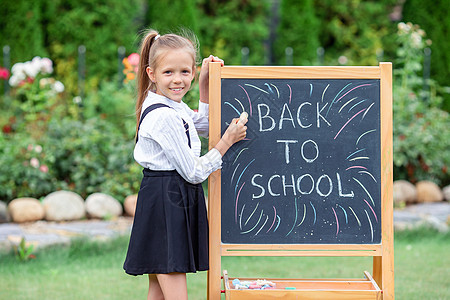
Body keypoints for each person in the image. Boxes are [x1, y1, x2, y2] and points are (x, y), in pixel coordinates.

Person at [123, 29, 247, 300]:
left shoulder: (173, 106)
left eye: (185, 72)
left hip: (169, 198)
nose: (177, 80)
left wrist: (204, 85)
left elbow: (201, 125)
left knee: (158, 291)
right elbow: (193, 172)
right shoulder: (164, 116)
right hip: (167, 201)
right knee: (173, 287)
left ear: (192, 71)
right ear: (151, 74)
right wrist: (226, 142)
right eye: (168, 72)